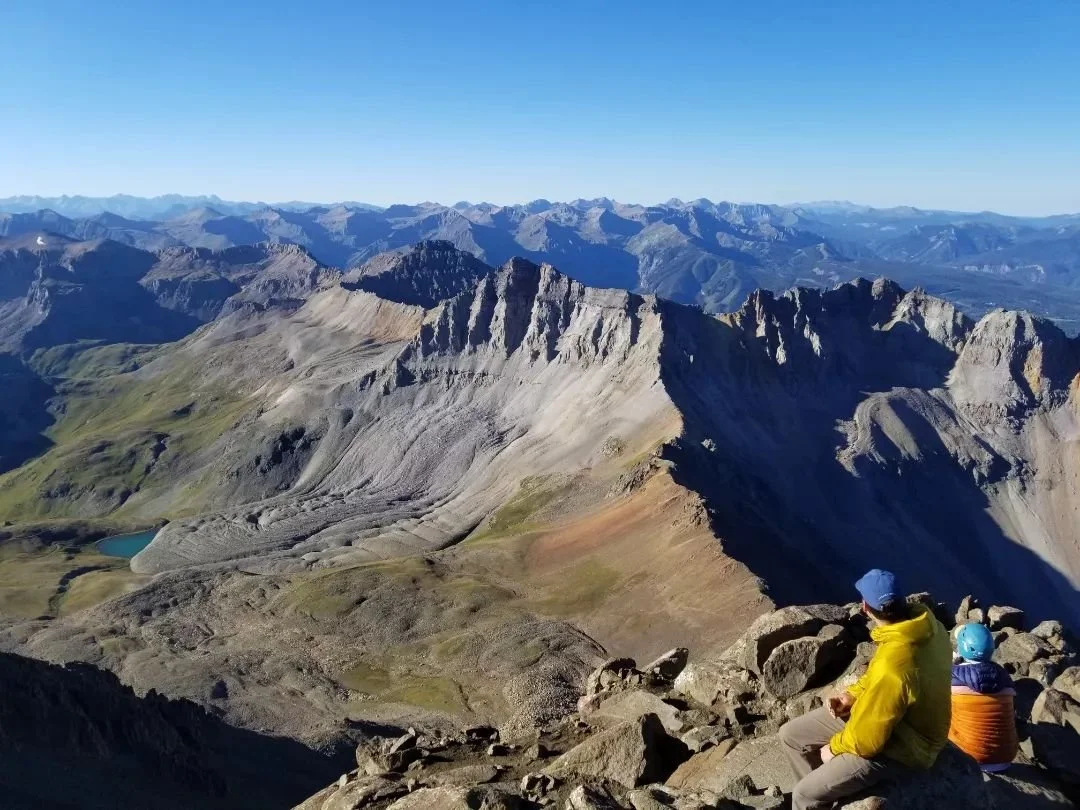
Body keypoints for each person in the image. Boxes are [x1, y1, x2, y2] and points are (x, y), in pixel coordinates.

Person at [779, 569, 953, 810]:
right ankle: (826, 792)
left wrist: (834, 747)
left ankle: (814, 795)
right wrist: (850, 695)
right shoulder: (921, 628)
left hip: (907, 746)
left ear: (865, 608)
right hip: (897, 717)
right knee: (790, 735)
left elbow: (869, 741)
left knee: (803, 795)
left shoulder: (895, 666)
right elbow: (877, 679)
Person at [947, 622, 1018, 771]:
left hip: (969, 756)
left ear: (962, 648)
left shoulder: (952, 677)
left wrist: (952, 664)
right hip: (1006, 757)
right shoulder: (1004, 677)